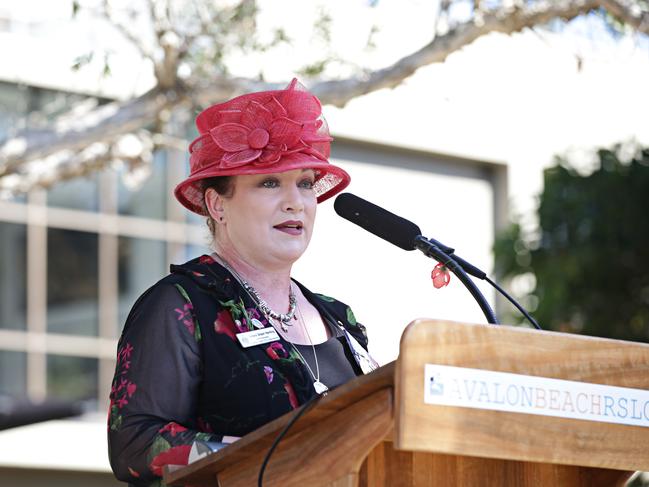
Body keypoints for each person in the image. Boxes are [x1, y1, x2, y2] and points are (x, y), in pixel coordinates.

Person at [107, 78, 378, 486]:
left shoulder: (340, 318)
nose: (295, 201)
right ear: (217, 205)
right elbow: (133, 444)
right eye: (270, 182)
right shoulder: (181, 304)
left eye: (305, 183)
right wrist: (259, 456)